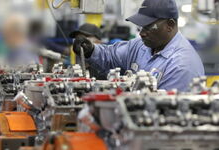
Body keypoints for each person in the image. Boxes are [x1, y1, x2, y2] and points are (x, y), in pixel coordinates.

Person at [72, 0, 204, 91]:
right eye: (140, 27)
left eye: (148, 27)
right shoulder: (141, 46)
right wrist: (91, 50)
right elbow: (110, 55)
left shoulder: (182, 66)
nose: (141, 33)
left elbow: (164, 110)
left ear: (170, 25)